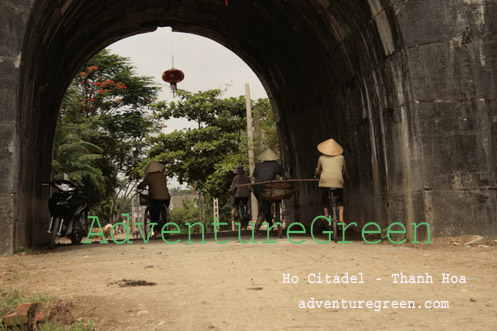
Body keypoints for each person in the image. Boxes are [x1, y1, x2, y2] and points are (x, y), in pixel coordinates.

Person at [314, 138, 348, 224]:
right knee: (340, 200)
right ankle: (341, 219)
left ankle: (325, 214)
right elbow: (344, 171)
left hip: (325, 182)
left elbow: (318, 171)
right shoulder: (341, 157)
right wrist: (345, 177)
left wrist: (317, 175)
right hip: (338, 181)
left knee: (323, 199)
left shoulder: (321, 158)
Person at [253, 149, 285, 236]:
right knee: (264, 207)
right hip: (267, 187)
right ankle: (256, 228)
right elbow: (284, 174)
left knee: (265, 204)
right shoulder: (276, 165)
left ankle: (270, 224)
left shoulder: (258, 166)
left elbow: (255, 176)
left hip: (256, 187)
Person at [137, 160, 171, 235]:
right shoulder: (163, 176)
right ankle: (164, 218)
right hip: (166, 198)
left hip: (155, 198)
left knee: (154, 213)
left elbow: (143, 184)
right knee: (163, 211)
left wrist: (139, 186)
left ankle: (155, 228)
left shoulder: (149, 177)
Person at [230, 165, 251, 229]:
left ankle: (238, 213)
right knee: (246, 204)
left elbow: (233, 187)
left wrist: (231, 191)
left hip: (239, 194)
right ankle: (246, 212)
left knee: (235, 204)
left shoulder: (235, 178)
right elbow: (250, 186)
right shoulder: (247, 178)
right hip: (246, 194)